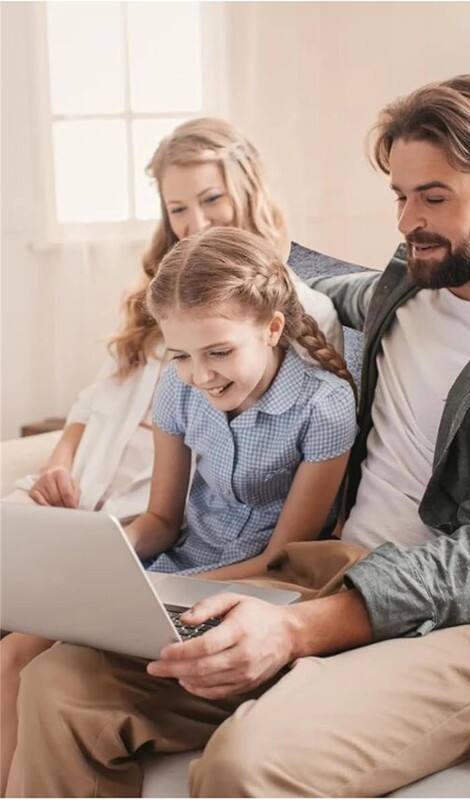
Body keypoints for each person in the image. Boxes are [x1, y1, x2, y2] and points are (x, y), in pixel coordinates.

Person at [7, 75, 470, 798]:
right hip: (320, 570)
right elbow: (283, 302)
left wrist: (299, 630)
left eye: (434, 197)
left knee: (249, 763)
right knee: (61, 685)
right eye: (399, 195)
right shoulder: (407, 286)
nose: (408, 221)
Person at [0, 118, 345, 795]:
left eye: (218, 353)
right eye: (177, 208)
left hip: (246, 583)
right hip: (175, 567)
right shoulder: (179, 381)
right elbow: (161, 519)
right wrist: (108, 564)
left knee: (42, 664)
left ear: (272, 331)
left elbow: (287, 557)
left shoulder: (322, 402)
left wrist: (162, 591)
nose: (201, 373)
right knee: (20, 649)